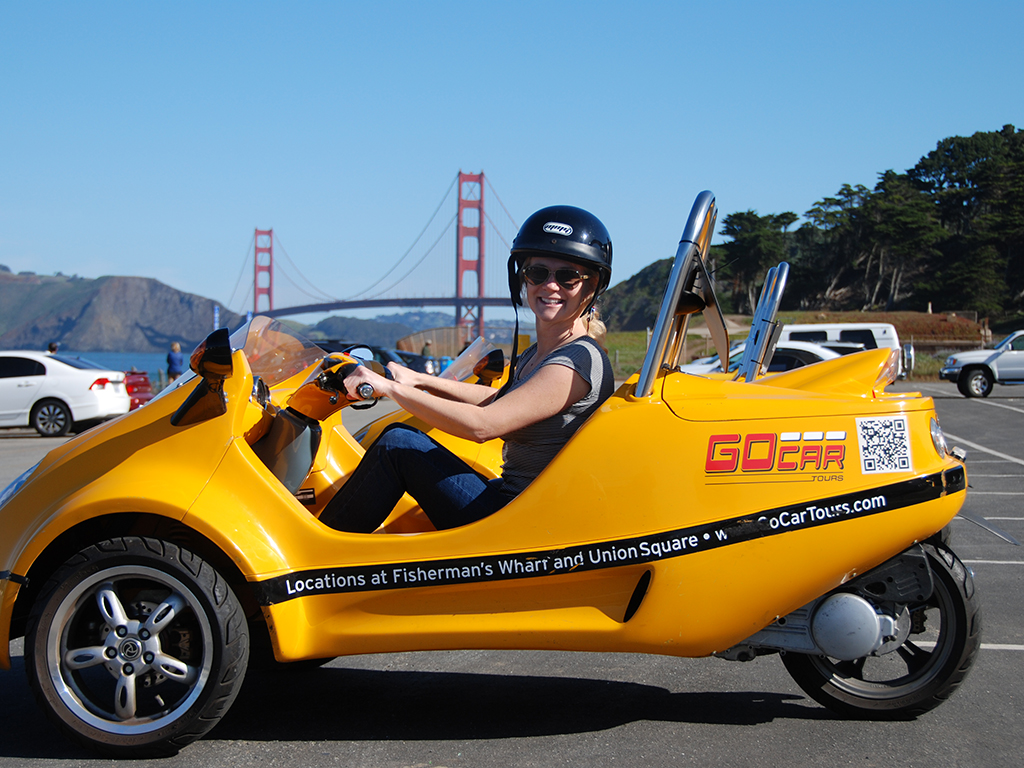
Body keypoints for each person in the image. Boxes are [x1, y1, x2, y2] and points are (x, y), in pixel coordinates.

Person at [320, 205, 615, 533]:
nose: (550, 286)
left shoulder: (575, 362)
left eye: (567, 276)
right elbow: (500, 401)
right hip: (517, 502)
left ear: (593, 285)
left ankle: (320, 555)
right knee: (403, 451)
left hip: (527, 522)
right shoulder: (540, 353)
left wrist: (391, 389)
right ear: (522, 278)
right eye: (537, 273)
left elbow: (484, 425)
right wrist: (420, 381)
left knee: (398, 444)